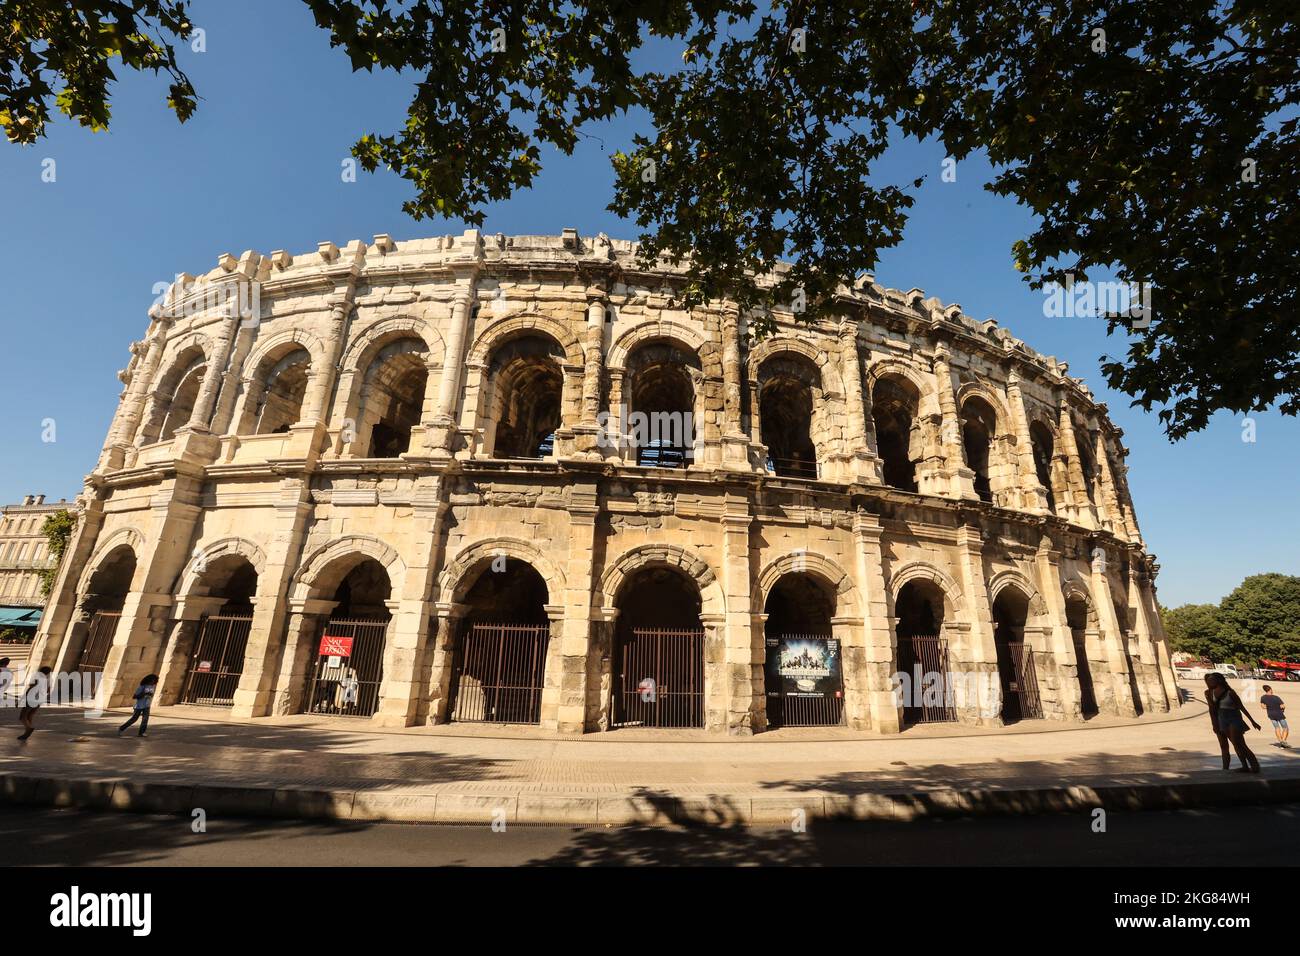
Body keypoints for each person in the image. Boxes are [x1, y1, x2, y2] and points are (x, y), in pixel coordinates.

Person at [1204, 672, 1262, 773]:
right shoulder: (1209, 693)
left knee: (1239, 743)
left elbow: (1241, 707)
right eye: (1208, 680)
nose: (1209, 682)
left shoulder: (1230, 692)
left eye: (1212, 679)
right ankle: (1244, 766)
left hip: (1234, 717)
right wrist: (1214, 724)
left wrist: (1252, 721)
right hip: (1222, 719)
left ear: (1219, 680)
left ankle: (1254, 765)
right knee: (1235, 745)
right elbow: (1211, 710)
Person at [16, 666, 53, 742]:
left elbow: (30, 689)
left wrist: (21, 699)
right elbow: (48, 691)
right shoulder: (48, 680)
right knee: (30, 715)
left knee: (22, 717)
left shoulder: (36, 678)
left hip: (32, 699)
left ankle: (29, 729)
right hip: (40, 700)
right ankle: (26, 732)